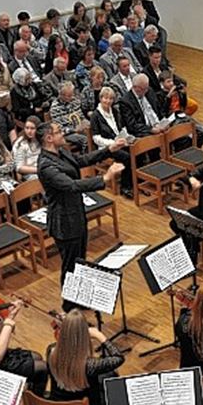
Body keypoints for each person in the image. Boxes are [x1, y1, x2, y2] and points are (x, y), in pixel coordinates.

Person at [37, 122, 126, 293]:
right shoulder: (46, 166)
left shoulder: (61, 151)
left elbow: (81, 160)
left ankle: (80, 296)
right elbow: (72, 185)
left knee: (80, 261)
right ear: (49, 138)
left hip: (76, 214)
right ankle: (69, 303)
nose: (63, 133)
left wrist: (109, 150)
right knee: (71, 266)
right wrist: (105, 178)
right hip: (64, 222)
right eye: (58, 132)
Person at [46, 310, 125, 405]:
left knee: (105, 375)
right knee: (112, 375)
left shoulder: (51, 352)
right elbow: (119, 358)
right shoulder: (89, 365)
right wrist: (100, 336)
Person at [118, 73, 168, 139]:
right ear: (135, 87)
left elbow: (159, 109)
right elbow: (132, 125)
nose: (146, 91)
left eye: (147, 87)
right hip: (144, 131)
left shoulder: (149, 91)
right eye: (144, 89)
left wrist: (163, 121)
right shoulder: (125, 102)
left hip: (158, 124)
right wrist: (151, 129)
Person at [49, 82, 88, 151]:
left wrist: (86, 124)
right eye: (69, 95)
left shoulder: (74, 101)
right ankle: (85, 156)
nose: (72, 97)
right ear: (61, 95)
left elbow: (81, 117)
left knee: (94, 133)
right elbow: (59, 129)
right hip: (67, 134)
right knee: (86, 139)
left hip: (79, 129)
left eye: (72, 94)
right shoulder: (55, 107)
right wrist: (74, 130)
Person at [13, 117, 43, 182]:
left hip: (43, 168)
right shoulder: (21, 144)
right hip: (30, 174)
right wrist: (39, 170)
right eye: (27, 128)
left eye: (32, 128)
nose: (29, 131)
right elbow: (19, 167)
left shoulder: (42, 140)